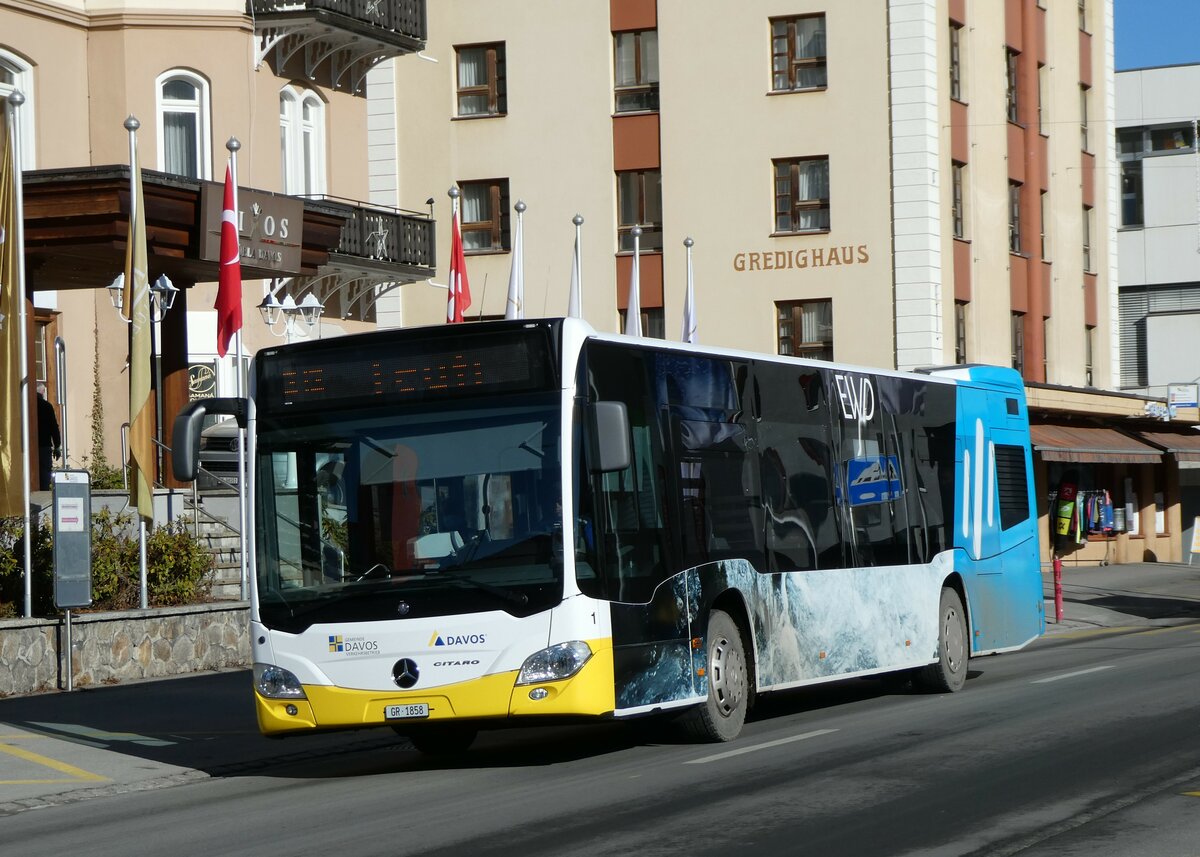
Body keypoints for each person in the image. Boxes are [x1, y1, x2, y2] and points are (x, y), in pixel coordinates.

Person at [36, 383, 61, 490]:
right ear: (43, 392)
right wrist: (57, 446)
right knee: (45, 473)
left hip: (26, 446)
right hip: (44, 445)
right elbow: (54, 428)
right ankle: (44, 491)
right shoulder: (46, 406)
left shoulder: (25, 405)